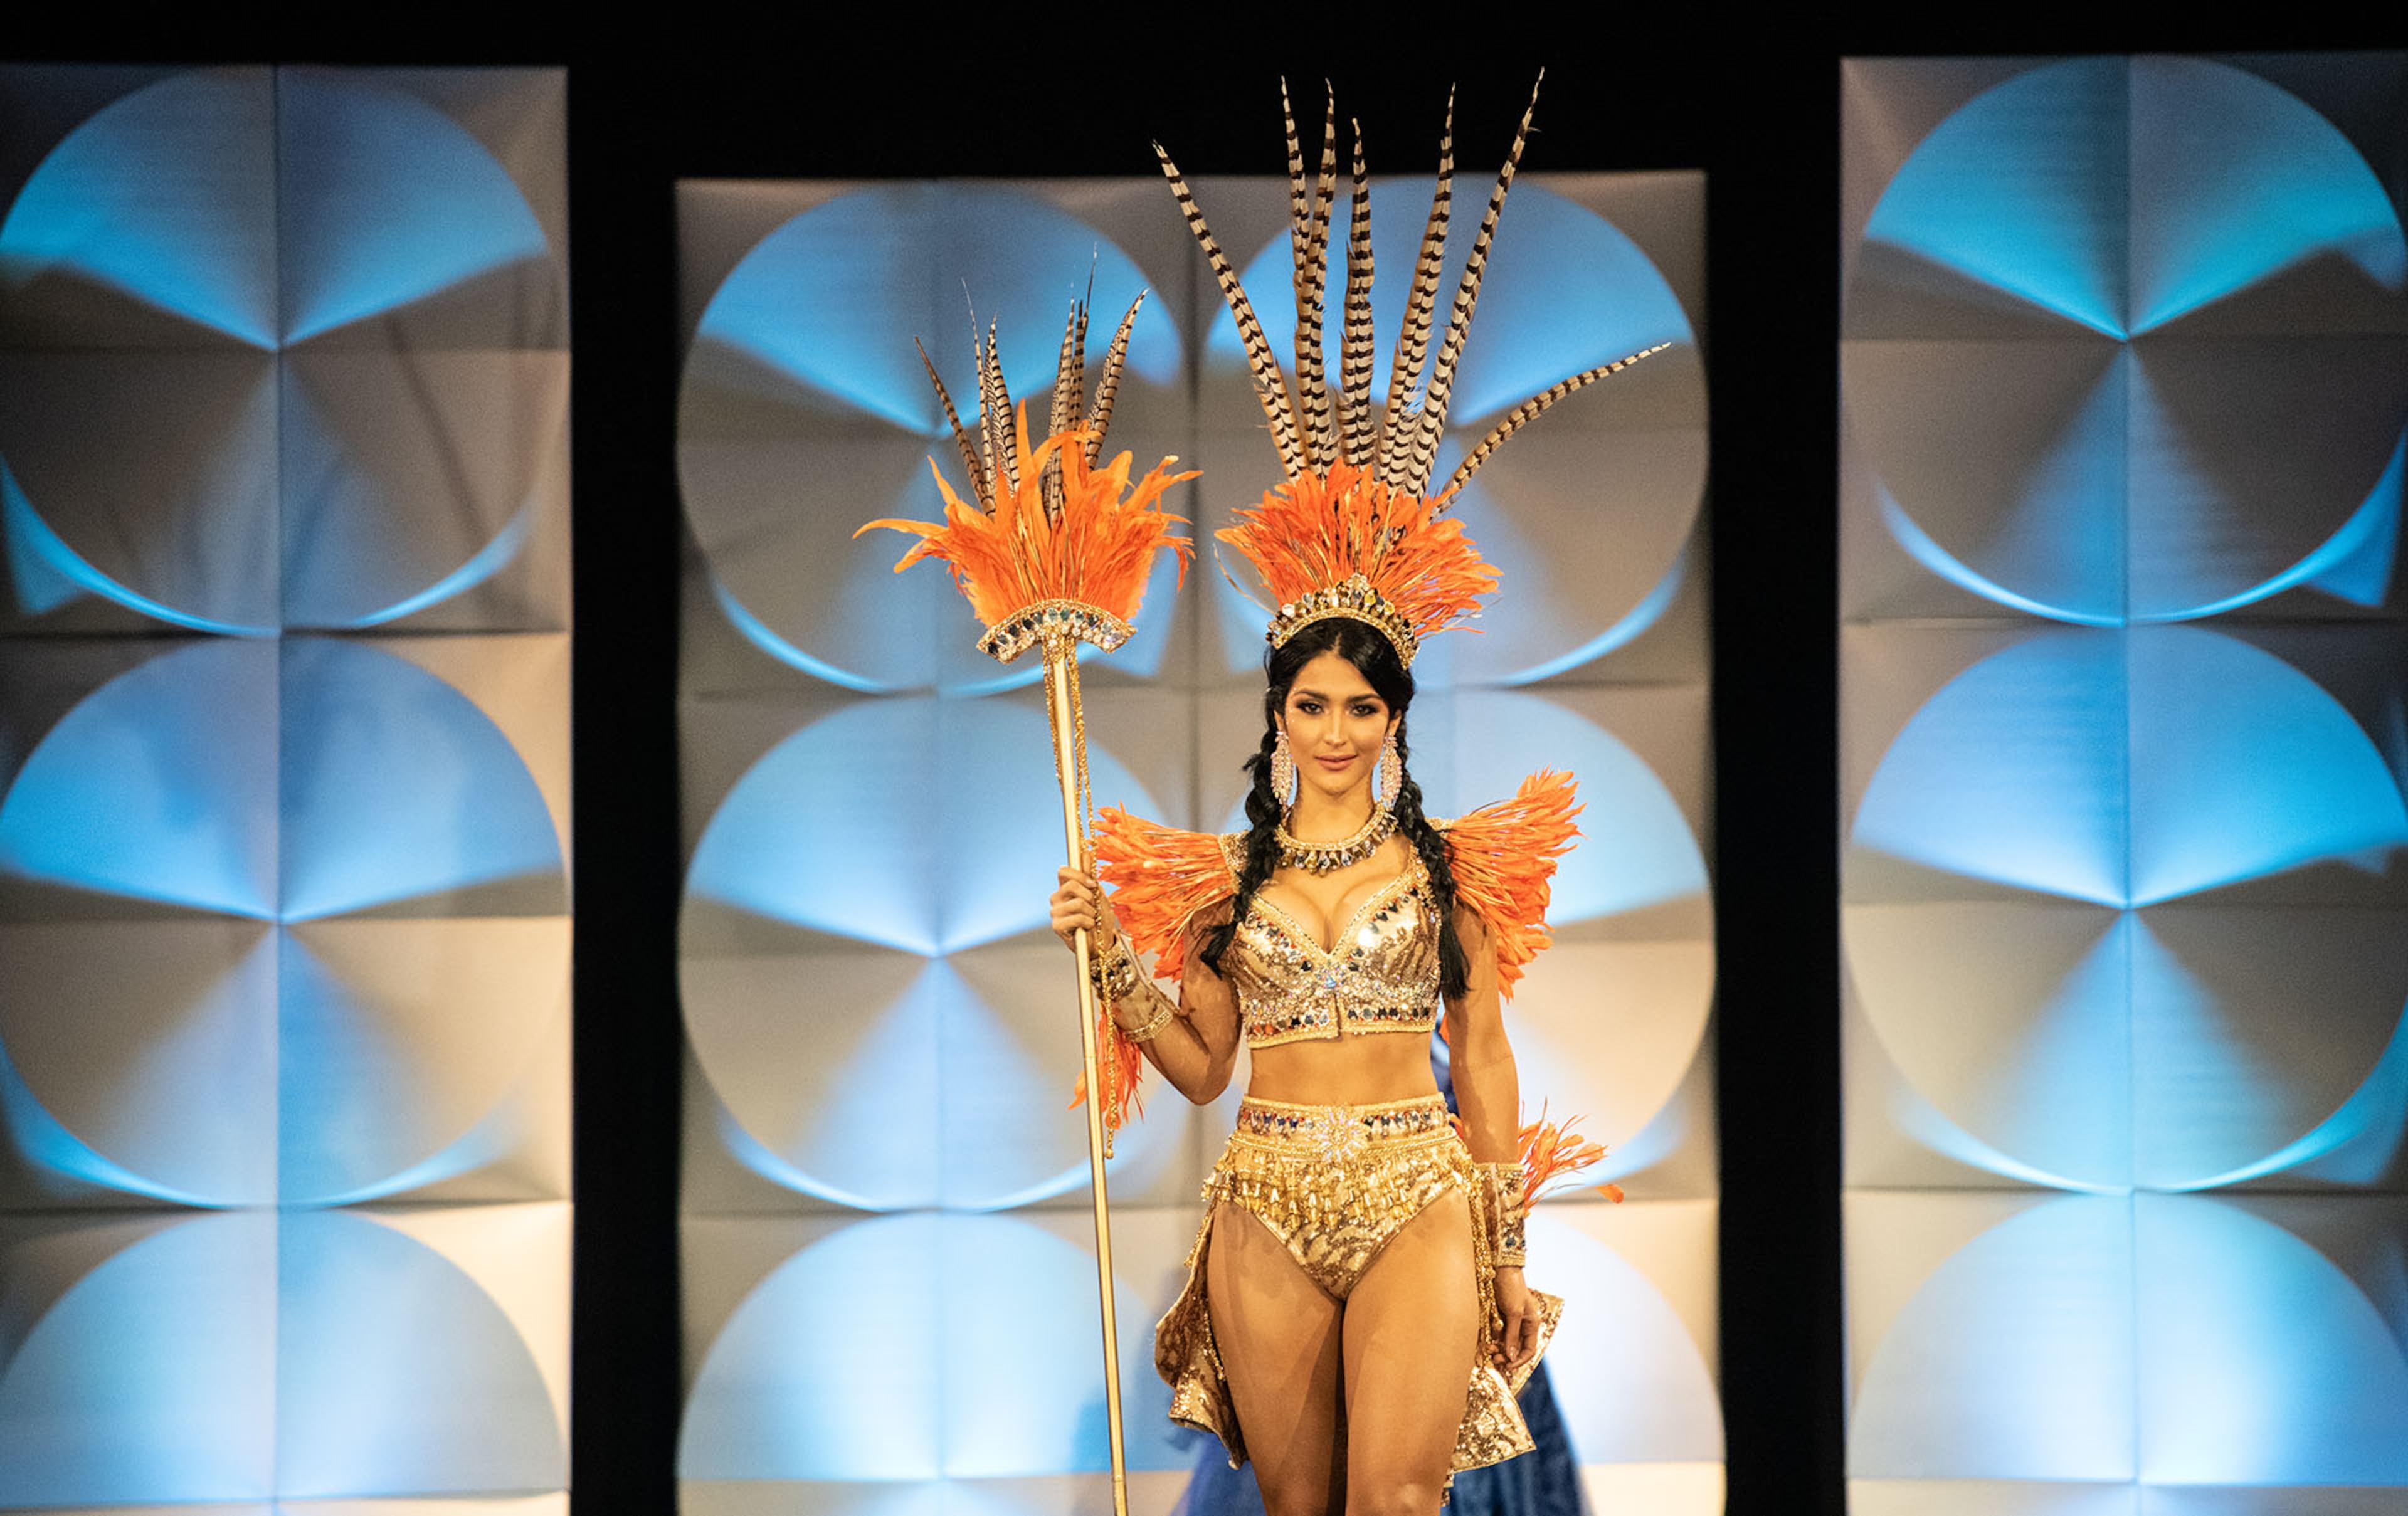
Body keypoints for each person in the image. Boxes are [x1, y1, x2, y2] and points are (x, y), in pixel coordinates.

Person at [1042, 79, 1656, 1514]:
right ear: (1278, 712)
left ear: (1394, 717)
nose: (1332, 728)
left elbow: (1486, 1059)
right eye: (1309, 704)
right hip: (1262, 1191)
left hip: (1417, 1188)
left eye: (1359, 707)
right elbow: (1200, 1068)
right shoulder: (1219, 883)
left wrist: (1509, 1250)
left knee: (1398, 1504)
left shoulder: (1455, 871)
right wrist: (1110, 962)